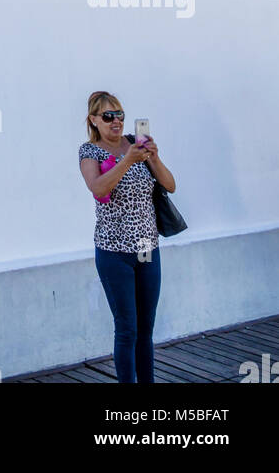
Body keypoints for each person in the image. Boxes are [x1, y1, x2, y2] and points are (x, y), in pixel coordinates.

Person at [78, 90, 176, 384]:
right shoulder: (90, 151)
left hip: (147, 248)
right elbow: (97, 188)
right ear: (94, 120)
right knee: (127, 329)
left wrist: (153, 158)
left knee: (146, 329)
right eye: (108, 116)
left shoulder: (136, 144)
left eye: (119, 114)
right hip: (113, 251)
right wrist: (126, 161)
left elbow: (170, 185)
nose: (116, 121)